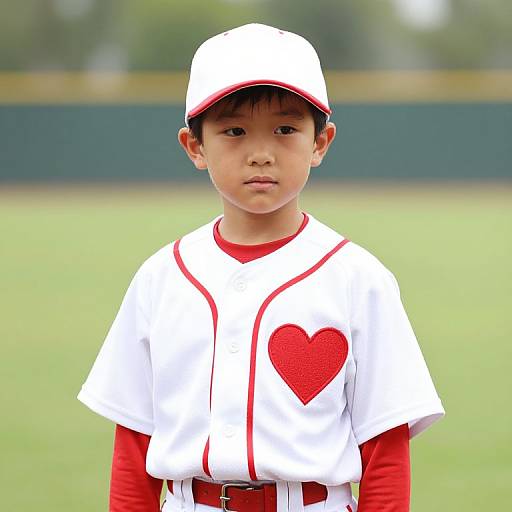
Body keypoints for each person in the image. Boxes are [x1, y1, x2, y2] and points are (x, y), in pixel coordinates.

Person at [77, 23, 445, 512]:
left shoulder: (359, 279)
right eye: (234, 130)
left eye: (286, 129)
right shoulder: (160, 277)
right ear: (195, 146)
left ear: (321, 142)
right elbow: (133, 444)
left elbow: (385, 449)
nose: (261, 153)